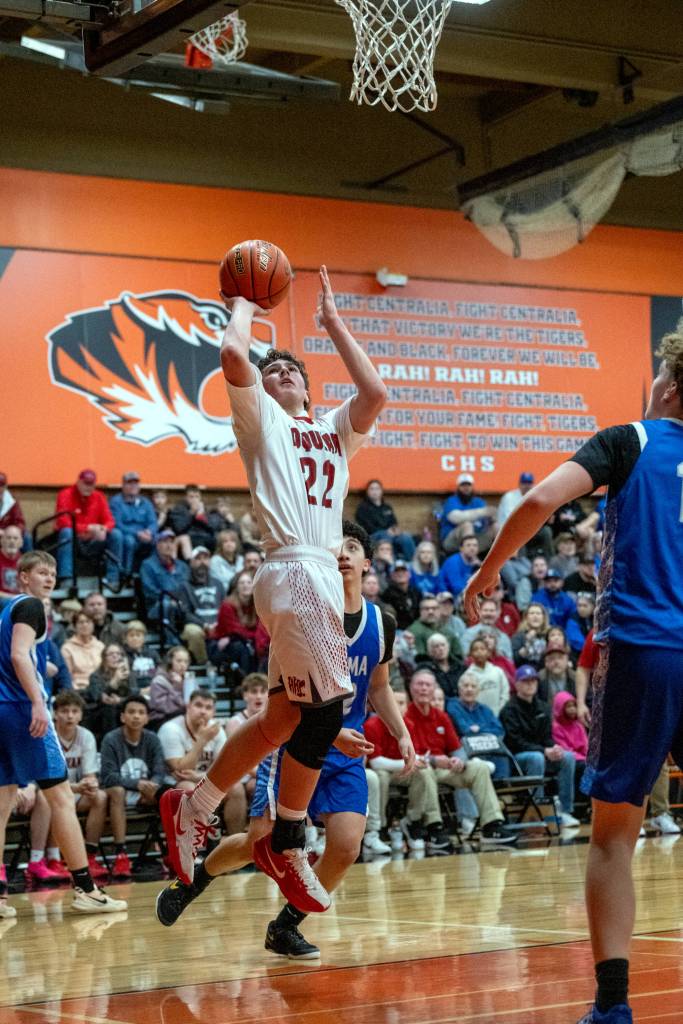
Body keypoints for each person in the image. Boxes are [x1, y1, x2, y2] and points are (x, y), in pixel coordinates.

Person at [464, 328, 683, 1022]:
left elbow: (537, 502)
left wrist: (489, 567)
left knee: (615, 833)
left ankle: (613, 1006)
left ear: (669, 382)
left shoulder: (632, 440)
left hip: (646, 647)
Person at [159, 266, 387, 913]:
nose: (282, 374)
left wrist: (334, 326)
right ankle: (286, 837)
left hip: (305, 572)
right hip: (294, 567)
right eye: (275, 370)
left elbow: (373, 392)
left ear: (310, 390)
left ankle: (194, 803)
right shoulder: (260, 419)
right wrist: (240, 304)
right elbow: (235, 353)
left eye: (293, 371)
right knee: (324, 713)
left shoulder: (334, 433)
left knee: (285, 715)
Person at [156, 521, 414, 957]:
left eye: (353, 546)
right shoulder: (306, 617)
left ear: (368, 563)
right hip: (299, 743)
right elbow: (292, 705)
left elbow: (379, 685)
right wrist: (332, 734)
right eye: (338, 546)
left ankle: (285, 926)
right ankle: (195, 879)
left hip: (347, 753)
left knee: (347, 847)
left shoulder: (381, 621)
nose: (344, 553)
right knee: (261, 844)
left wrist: (401, 732)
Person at [0, 551, 126, 917]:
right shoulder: (31, 609)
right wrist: (39, 702)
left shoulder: (9, 610)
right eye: (42, 572)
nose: (51, 578)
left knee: (4, 801)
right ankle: (86, 889)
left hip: (4, 710)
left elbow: (20, 655)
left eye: (54, 573)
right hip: (25, 712)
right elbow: (20, 655)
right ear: (23, 577)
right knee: (61, 799)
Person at [404, 668, 517, 844]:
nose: (424, 688)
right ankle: (434, 826)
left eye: (428, 685)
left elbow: (457, 748)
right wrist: (433, 760)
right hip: (420, 768)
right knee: (424, 770)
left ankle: (491, 824)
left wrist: (459, 760)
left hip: (444, 769)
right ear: (411, 688)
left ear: (434, 689)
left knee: (478, 768)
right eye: (420, 684)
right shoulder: (405, 717)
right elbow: (406, 754)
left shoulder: (441, 716)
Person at [499, 665, 578, 827]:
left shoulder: (543, 707)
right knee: (537, 758)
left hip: (541, 753)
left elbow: (547, 738)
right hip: (518, 757)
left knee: (567, 756)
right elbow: (515, 742)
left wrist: (555, 748)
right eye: (525, 681)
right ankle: (539, 810)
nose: (530, 684)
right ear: (517, 684)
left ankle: (565, 810)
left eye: (533, 681)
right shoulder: (508, 710)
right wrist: (544, 751)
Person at [100, 694, 167, 877]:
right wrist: (137, 784)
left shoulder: (152, 739)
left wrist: (151, 788)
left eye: (141, 713)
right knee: (118, 791)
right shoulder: (111, 739)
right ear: (122, 717)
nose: (136, 716)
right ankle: (121, 854)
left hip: (146, 794)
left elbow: (160, 772)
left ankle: (171, 851)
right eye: (131, 712)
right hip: (119, 794)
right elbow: (108, 777)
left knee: (172, 794)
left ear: (147, 718)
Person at [159, 691, 242, 834]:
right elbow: (180, 769)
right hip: (173, 783)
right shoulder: (171, 729)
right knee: (189, 788)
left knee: (236, 787)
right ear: (188, 707)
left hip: (202, 779)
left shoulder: (216, 730)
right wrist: (202, 740)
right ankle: (193, 848)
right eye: (198, 705)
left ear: (214, 712)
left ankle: (235, 844)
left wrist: (199, 776)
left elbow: (225, 768)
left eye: (208, 707)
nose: (203, 711)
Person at [52, 690, 109, 880]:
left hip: (76, 792)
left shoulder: (86, 736)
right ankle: (57, 858)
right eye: (64, 711)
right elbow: (46, 785)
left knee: (99, 796)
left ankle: (90, 855)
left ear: (81, 715)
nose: (70, 716)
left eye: (75, 711)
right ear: (54, 713)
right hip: (52, 795)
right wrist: (76, 787)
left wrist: (90, 784)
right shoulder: (48, 737)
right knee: (54, 800)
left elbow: (90, 775)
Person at [54, 469, 123, 586]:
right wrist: (88, 528)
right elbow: (63, 521)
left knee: (116, 535)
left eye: (91, 484)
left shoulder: (99, 496)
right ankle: (66, 578)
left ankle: (113, 578)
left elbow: (110, 521)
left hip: (94, 540)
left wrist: (103, 529)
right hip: (75, 539)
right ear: (78, 482)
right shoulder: (65, 494)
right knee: (66, 532)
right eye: (85, 483)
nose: (88, 487)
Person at [447, 672, 507, 779]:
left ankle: (505, 792)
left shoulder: (485, 709)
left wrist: (479, 728)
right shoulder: (453, 706)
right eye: (466, 686)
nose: (469, 689)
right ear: (459, 689)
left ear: (478, 691)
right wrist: (486, 730)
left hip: (488, 747)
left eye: (473, 686)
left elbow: (499, 730)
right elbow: (465, 730)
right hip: (467, 749)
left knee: (502, 756)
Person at [209, 570, 269, 675]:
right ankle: (246, 680)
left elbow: (261, 627)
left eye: (249, 582)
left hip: (248, 641)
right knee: (242, 648)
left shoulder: (258, 603)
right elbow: (234, 631)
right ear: (236, 586)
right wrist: (255, 636)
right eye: (242, 583)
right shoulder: (227, 605)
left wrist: (256, 637)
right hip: (225, 644)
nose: (245, 585)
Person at [83, 642, 139, 741]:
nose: (115, 656)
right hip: (100, 713)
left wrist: (120, 700)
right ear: (104, 658)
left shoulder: (128, 675)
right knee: (109, 708)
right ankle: (111, 743)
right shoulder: (96, 676)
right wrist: (114, 681)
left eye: (118, 654)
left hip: (123, 709)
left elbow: (135, 694)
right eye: (111, 654)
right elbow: (97, 697)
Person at [178, 547, 225, 664]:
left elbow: (225, 608)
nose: (202, 562)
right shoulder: (184, 586)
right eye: (198, 559)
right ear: (191, 562)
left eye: (205, 558)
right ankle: (204, 664)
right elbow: (185, 613)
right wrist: (204, 625)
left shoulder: (218, 584)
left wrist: (219, 624)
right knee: (193, 632)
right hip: (197, 625)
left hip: (217, 624)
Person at [109, 471, 157, 578]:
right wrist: (137, 534)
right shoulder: (116, 502)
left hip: (145, 535)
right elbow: (117, 524)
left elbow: (153, 522)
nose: (133, 486)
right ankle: (126, 575)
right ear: (123, 485)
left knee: (160, 540)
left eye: (135, 483)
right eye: (129, 483)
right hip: (128, 535)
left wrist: (149, 532)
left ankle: (154, 575)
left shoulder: (145, 502)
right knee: (128, 541)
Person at [139, 530, 190, 627]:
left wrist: (179, 601)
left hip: (180, 603)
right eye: (165, 541)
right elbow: (150, 592)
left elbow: (187, 588)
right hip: (156, 606)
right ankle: (170, 641)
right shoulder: (147, 565)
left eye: (171, 542)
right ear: (157, 545)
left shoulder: (182, 566)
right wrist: (171, 600)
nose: (169, 545)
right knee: (167, 605)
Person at [354, 479, 415, 560]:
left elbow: (394, 523)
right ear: (367, 492)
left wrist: (395, 530)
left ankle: (410, 565)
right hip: (372, 537)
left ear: (381, 491)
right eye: (372, 489)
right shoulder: (363, 508)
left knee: (405, 537)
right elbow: (367, 527)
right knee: (385, 535)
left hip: (390, 534)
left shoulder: (387, 507)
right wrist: (387, 532)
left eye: (377, 489)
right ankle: (392, 565)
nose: (374, 491)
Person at [439, 473, 497, 554]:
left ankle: (503, 559)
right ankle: (470, 559)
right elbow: (455, 518)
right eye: (463, 485)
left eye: (468, 485)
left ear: (472, 486)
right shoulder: (452, 500)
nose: (466, 488)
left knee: (496, 527)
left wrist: (493, 517)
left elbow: (489, 519)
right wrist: (482, 512)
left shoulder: (478, 502)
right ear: (458, 487)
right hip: (451, 541)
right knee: (467, 525)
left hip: (476, 539)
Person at [461, 637, 508, 716]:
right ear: (471, 654)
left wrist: (500, 710)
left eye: (482, 649)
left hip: (500, 714)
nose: (479, 652)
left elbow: (505, 694)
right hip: (478, 716)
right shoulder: (467, 676)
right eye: (475, 650)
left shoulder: (498, 671)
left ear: (488, 652)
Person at [406, 594, 462, 660]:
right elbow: (420, 658)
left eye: (434, 608)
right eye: (426, 609)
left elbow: (459, 655)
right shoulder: (414, 631)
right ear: (420, 611)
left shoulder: (447, 630)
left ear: (439, 610)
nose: (431, 612)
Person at [60, 610, 105, 691]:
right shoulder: (67, 648)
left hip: (101, 688)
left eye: (88, 622)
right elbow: (67, 676)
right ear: (74, 626)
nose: (85, 625)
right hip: (79, 689)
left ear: (93, 625)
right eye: (81, 622)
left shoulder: (100, 646)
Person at [148, 646, 191, 728]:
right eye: (179, 661)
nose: (183, 665)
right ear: (170, 661)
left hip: (185, 718)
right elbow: (165, 707)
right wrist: (176, 688)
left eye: (186, 661)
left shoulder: (189, 679)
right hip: (163, 720)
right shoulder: (159, 681)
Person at [380, 559, 422, 629]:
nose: (400, 573)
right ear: (391, 575)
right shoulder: (387, 594)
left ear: (409, 574)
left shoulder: (416, 592)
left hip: (416, 629)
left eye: (403, 570)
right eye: (396, 571)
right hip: (397, 630)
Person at [424, 633, 464, 698]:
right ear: (430, 651)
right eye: (436, 646)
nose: (441, 649)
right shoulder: (426, 669)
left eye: (443, 645)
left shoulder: (460, 666)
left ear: (448, 647)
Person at [512, 602, 550, 670]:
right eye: (532, 613)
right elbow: (514, 659)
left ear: (544, 618)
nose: (535, 616)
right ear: (526, 617)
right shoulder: (518, 636)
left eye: (538, 613)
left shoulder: (549, 634)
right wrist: (527, 643)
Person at [122, 620, 159, 686]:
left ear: (144, 638)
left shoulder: (153, 653)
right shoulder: (122, 654)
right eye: (131, 635)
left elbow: (160, 671)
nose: (135, 638)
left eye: (138, 635)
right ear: (125, 638)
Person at [0, 525, 22, 601]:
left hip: (20, 602)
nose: (12, 541)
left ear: (21, 542)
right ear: (1, 540)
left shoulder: (26, 561)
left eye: (15, 538)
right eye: (8, 538)